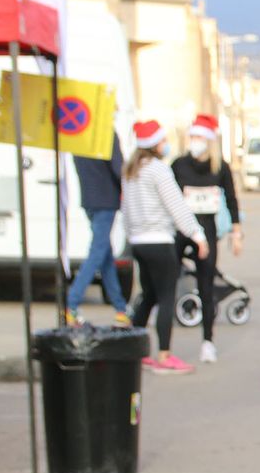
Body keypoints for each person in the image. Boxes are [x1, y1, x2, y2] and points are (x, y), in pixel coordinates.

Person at [122, 120, 209, 374]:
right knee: (165, 297)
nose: (166, 145)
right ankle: (164, 355)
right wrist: (197, 235)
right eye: (162, 141)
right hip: (159, 240)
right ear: (155, 145)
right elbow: (177, 206)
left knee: (147, 296)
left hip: (138, 242)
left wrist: (131, 236)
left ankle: (132, 351)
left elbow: (126, 209)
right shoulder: (159, 170)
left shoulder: (131, 170)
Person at [172, 115, 242, 364]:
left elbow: (232, 199)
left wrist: (236, 232)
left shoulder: (219, 167)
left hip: (207, 229)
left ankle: (208, 341)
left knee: (206, 284)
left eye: (200, 137)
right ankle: (164, 345)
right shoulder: (179, 164)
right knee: (170, 281)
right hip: (181, 230)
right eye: (193, 137)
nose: (195, 142)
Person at [65, 131, 130, 327]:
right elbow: (119, 170)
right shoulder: (106, 134)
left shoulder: (80, 133)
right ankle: (71, 304)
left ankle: (120, 309)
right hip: (106, 200)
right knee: (97, 253)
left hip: (90, 200)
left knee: (106, 256)